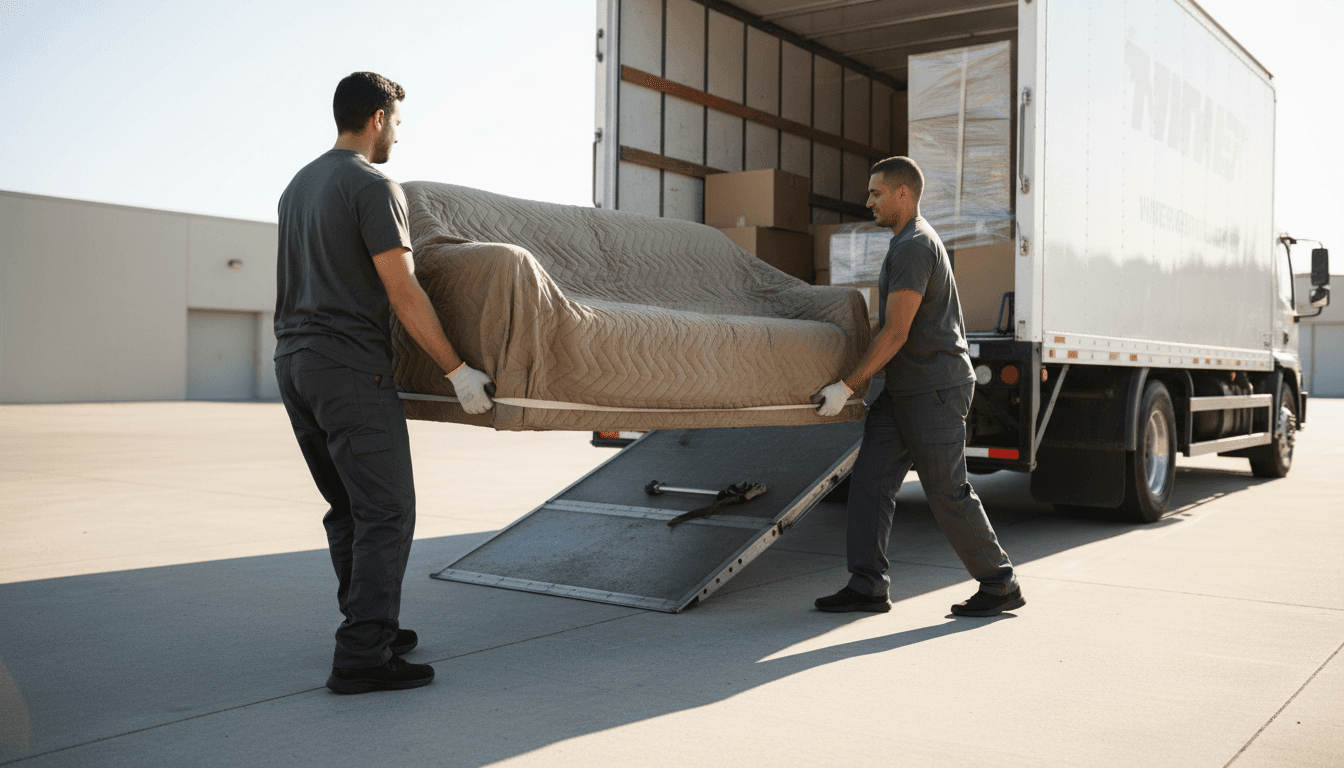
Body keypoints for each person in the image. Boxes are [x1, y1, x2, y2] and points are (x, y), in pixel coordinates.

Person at [274, 71, 495, 694]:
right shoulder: (373, 185)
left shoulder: (299, 185)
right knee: (387, 510)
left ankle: (370, 625)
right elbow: (404, 288)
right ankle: (363, 656)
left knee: (347, 505)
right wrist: (458, 371)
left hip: (294, 363)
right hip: (348, 367)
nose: (398, 132)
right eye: (397, 121)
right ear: (376, 118)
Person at [812, 156, 1023, 617]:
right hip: (905, 390)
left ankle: (1000, 582)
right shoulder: (904, 243)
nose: (868, 201)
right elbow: (889, 326)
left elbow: (896, 332)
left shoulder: (913, 246)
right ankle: (867, 584)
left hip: (935, 391)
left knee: (947, 492)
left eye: (876, 192)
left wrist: (847, 386)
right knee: (869, 481)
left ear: (902, 194)